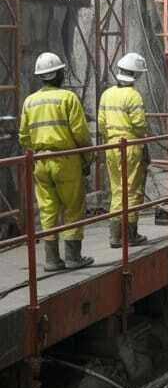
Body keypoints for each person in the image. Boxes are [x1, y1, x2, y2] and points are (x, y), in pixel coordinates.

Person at [19, 52, 93, 272]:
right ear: (60, 73)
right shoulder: (68, 98)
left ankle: (51, 260)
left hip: (41, 161)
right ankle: (73, 258)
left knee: (48, 208)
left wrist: (35, 151)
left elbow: (23, 136)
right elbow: (80, 133)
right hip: (66, 160)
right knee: (72, 207)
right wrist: (87, 157)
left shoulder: (29, 101)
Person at [97, 52, 149, 249]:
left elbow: (102, 124)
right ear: (135, 75)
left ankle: (114, 235)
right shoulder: (133, 96)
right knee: (132, 190)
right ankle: (130, 234)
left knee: (117, 189)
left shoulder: (106, 94)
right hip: (131, 147)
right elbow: (140, 125)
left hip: (111, 146)